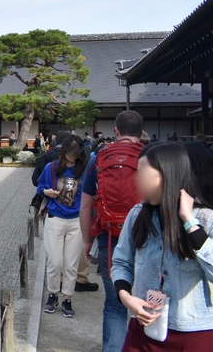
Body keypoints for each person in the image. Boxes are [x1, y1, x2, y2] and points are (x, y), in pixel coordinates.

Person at [111, 143, 213, 349]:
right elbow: (121, 262)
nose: (138, 182)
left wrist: (189, 221)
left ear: (170, 176)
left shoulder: (205, 219)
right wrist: (126, 297)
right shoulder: (138, 215)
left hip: (192, 332)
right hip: (143, 326)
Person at [80, 110, 144, 352]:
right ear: (141, 132)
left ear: (116, 131)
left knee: (115, 303)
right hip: (145, 237)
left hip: (110, 238)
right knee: (147, 303)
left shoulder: (99, 158)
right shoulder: (151, 156)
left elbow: (86, 204)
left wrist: (87, 241)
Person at [37, 135, 88, 318]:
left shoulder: (84, 170)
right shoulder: (52, 167)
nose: (72, 155)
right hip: (55, 218)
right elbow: (39, 185)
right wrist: (46, 192)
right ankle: (52, 294)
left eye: (75, 151)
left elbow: (91, 192)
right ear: (63, 150)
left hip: (76, 221)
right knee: (55, 262)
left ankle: (67, 298)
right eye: (69, 150)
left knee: (71, 264)